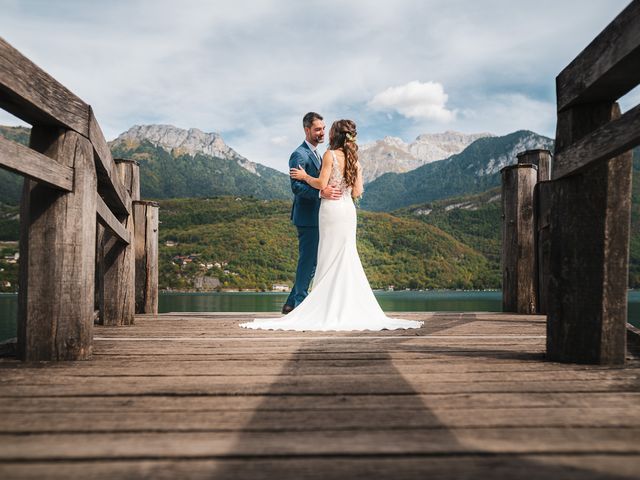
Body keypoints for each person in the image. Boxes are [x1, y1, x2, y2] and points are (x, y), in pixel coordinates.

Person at [240, 119, 423, 331]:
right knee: (346, 255)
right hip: (347, 211)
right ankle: (344, 305)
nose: (324, 133)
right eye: (319, 129)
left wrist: (305, 176)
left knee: (327, 255)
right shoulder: (355, 162)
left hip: (331, 210)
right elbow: (357, 192)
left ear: (335, 134)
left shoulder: (329, 155)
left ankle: (313, 305)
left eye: (327, 130)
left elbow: (321, 184)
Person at [279, 112, 342, 315]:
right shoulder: (299, 154)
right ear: (307, 130)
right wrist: (321, 193)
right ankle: (300, 305)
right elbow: (296, 188)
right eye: (317, 129)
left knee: (311, 260)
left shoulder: (315, 153)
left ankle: (290, 303)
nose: (322, 132)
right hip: (307, 217)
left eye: (323, 128)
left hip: (318, 216)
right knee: (309, 260)